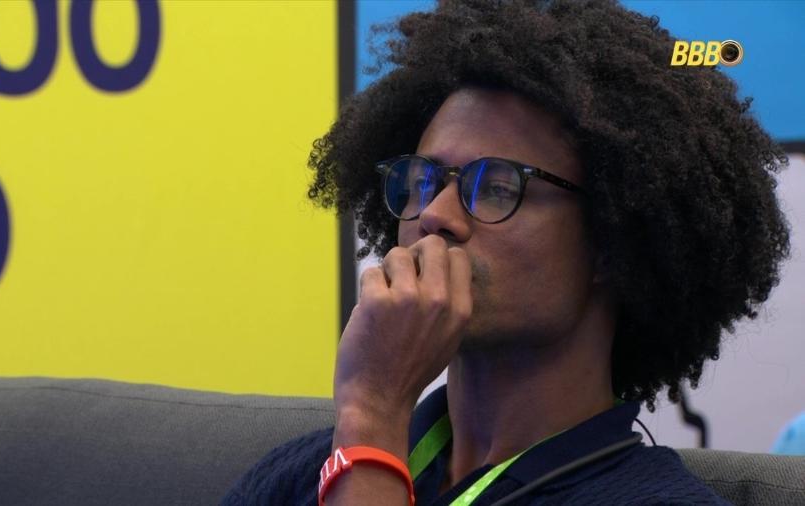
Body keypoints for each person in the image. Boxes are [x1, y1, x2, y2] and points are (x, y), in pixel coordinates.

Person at [222, 0, 790, 504]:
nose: (435, 215)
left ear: (611, 244)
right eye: (422, 180)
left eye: (496, 186)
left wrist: (374, 417)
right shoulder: (305, 474)